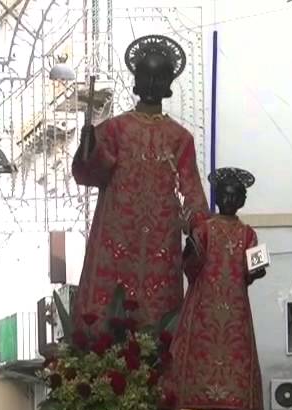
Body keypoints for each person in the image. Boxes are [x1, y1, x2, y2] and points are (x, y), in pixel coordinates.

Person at [70, 34, 208, 328]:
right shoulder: (115, 129)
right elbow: (90, 173)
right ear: (136, 80)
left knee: (156, 327)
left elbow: (191, 189)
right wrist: (88, 147)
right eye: (145, 75)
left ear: (168, 85)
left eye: (159, 77)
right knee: (109, 322)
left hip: (161, 243)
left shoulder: (180, 139)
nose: (151, 84)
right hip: (116, 238)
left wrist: (202, 231)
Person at [168, 167, 266, 410]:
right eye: (226, 195)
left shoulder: (248, 234)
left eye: (235, 196)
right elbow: (190, 267)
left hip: (234, 308)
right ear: (218, 197)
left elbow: (253, 271)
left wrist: (257, 270)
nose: (230, 200)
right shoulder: (204, 229)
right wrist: (190, 252)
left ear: (242, 200)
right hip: (203, 306)